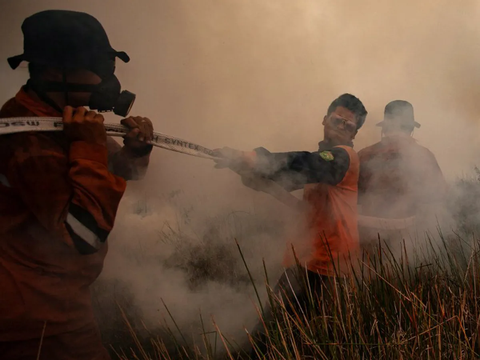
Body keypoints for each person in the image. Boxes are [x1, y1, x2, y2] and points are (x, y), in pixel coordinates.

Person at [0, 10, 154, 360]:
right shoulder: (27, 140)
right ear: (56, 71)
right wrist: (87, 146)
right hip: (30, 323)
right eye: (98, 66)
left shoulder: (61, 117)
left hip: (59, 305)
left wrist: (136, 150)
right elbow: (84, 233)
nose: (107, 78)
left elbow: (118, 172)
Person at [214, 93, 367, 356]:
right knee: (290, 341)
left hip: (325, 268)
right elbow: (295, 190)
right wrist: (255, 177)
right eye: (336, 119)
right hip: (307, 260)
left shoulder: (343, 157)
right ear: (324, 120)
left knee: (266, 340)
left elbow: (305, 163)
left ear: (353, 134)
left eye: (348, 125)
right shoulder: (324, 161)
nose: (340, 127)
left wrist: (254, 158)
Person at [357, 100, 447, 251]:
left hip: (369, 238)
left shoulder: (363, 155)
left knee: (371, 274)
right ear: (411, 128)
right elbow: (438, 195)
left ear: (385, 128)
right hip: (409, 240)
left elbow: (352, 197)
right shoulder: (424, 156)